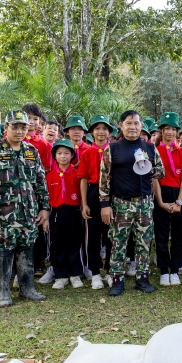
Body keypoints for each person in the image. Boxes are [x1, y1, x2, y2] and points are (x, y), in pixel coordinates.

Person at [0, 112, 50, 307]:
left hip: (29, 212)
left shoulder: (31, 151)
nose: (19, 131)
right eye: (15, 127)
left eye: (23, 127)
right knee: (4, 251)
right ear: (6, 127)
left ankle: (27, 288)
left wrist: (44, 208)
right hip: (4, 214)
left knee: (27, 249)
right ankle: (3, 291)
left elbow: (40, 181)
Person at [99, 110, 163, 296]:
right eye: (129, 123)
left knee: (144, 241)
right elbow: (104, 178)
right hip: (121, 203)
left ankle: (142, 278)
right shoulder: (113, 148)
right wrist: (105, 204)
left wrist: (148, 168)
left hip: (144, 202)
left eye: (136, 123)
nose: (133, 127)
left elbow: (161, 170)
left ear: (141, 126)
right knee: (118, 242)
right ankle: (117, 280)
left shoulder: (149, 147)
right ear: (121, 125)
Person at [152, 113, 182, 286]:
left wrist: (180, 201)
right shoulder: (154, 151)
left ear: (177, 132)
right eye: (166, 128)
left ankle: (175, 268)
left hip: (178, 194)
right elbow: (154, 178)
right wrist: (160, 202)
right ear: (161, 131)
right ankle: (163, 269)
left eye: (173, 129)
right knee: (160, 234)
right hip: (160, 193)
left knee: (178, 234)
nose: (169, 132)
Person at [77, 115, 112, 288]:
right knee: (93, 235)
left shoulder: (115, 150)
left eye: (104, 128)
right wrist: (84, 203)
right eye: (97, 128)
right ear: (91, 132)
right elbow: (83, 179)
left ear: (109, 132)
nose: (101, 132)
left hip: (112, 194)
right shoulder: (87, 153)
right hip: (93, 193)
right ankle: (95, 272)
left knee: (112, 234)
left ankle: (111, 270)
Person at [45, 139, 85, 289]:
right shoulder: (49, 176)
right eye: (59, 153)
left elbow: (81, 193)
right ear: (55, 156)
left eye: (66, 153)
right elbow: (47, 198)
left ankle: (75, 274)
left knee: (74, 242)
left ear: (72, 155)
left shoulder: (77, 174)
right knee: (57, 244)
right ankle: (60, 275)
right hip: (56, 212)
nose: (63, 156)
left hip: (73, 211)